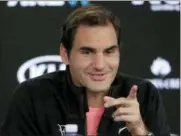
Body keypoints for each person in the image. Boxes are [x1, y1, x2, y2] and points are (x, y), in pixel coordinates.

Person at [0, 4, 170, 136]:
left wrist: (140, 130)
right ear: (65, 54)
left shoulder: (145, 95)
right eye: (87, 52)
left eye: (109, 51)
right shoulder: (32, 97)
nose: (100, 64)